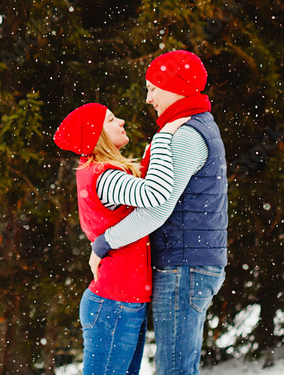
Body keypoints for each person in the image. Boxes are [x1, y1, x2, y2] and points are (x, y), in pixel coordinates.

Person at [89, 50, 227, 375]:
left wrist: (104, 243)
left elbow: (156, 209)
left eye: (153, 88)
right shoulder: (191, 127)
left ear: (176, 86)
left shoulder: (187, 135)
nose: (148, 98)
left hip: (184, 268)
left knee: (174, 370)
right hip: (188, 265)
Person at [55, 102, 191, 375]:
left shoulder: (103, 172)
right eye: (111, 120)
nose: (122, 122)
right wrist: (164, 138)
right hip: (114, 304)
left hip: (123, 301)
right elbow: (155, 194)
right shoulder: (105, 177)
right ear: (97, 136)